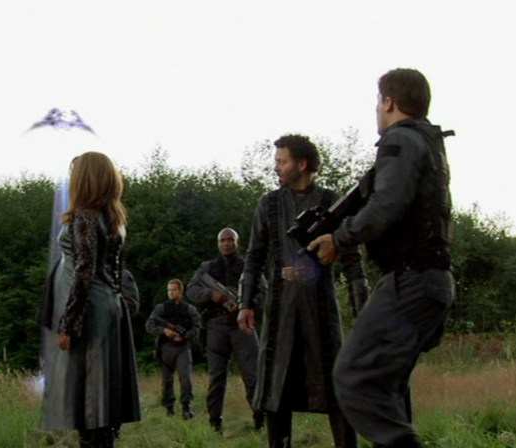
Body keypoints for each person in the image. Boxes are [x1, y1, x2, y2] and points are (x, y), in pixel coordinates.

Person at [308, 68, 456, 448]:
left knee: (354, 377)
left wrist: (339, 239)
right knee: (387, 385)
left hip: (412, 280)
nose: (376, 109)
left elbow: (386, 205)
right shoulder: (428, 142)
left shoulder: (401, 139)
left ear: (389, 102)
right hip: (432, 283)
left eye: (378, 101)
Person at [238, 134, 368, 448]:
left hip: (320, 308)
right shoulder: (268, 204)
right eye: (277, 161)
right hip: (280, 308)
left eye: (282, 161)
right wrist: (245, 303)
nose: (276, 168)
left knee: (334, 383)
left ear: (302, 164)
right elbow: (254, 256)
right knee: (275, 386)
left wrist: (363, 310)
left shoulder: (332, 203)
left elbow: (353, 260)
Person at [40, 151, 141, 448]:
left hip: (90, 314)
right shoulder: (112, 218)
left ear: (85, 179)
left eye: (75, 174)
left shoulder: (85, 216)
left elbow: (84, 271)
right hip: (107, 308)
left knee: (90, 401)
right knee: (101, 399)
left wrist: (68, 324)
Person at [187, 228, 267, 434]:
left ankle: (260, 420)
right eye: (223, 240)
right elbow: (191, 290)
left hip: (243, 326)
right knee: (216, 378)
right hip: (216, 325)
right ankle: (215, 424)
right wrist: (212, 295)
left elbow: (264, 292)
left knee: (253, 375)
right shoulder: (207, 268)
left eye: (230, 239)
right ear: (218, 243)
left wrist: (246, 304)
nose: (226, 243)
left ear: (237, 242)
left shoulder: (248, 266)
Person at [146, 279, 203, 419]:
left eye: (174, 290)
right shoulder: (161, 308)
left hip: (183, 347)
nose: (171, 293)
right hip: (165, 347)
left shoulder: (189, 309)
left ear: (181, 292)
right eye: (169, 290)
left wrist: (185, 336)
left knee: (185, 378)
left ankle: (186, 407)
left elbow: (197, 326)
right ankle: (169, 408)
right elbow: (149, 325)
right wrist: (164, 331)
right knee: (167, 380)